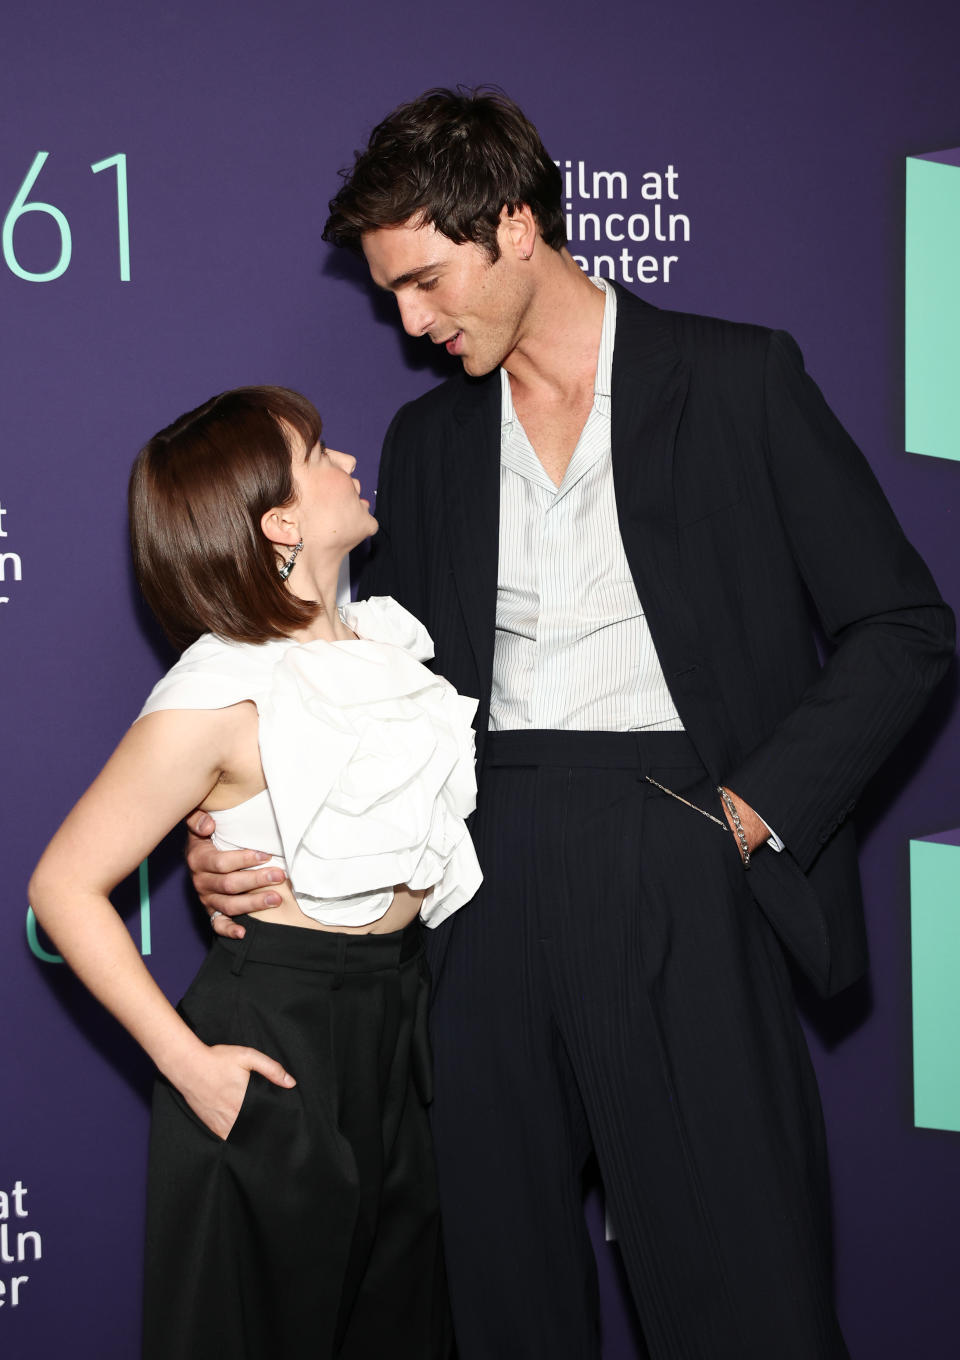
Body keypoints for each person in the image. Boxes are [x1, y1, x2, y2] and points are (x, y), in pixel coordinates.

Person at [189, 92, 955, 1359]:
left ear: (517, 225)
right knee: (500, 1297)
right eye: (392, 297)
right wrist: (247, 830)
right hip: (482, 885)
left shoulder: (737, 376)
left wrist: (752, 811)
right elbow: (389, 697)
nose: (413, 321)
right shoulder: (428, 440)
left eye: (429, 281)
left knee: (744, 1294)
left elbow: (903, 626)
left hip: (683, 849)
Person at [28, 385, 480, 1360]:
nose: (349, 462)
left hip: (400, 1028)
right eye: (318, 454)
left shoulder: (386, 646)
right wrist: (193, 1070)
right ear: (279, 519)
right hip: (279, 1038)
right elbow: (63, 883)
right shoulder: (220, 686)